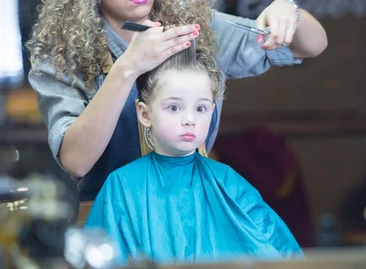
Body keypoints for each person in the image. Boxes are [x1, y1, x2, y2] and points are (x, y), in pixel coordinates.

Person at [27, 0, 328, 202]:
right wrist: (128, 68)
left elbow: (312, 46)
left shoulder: (196, 25)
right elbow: (76, 161)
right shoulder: (59, 53)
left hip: (193, 210)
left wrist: (291, 11)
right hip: (111, 217)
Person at [84, 45, 302, 263]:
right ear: (144, 114)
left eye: (201, 108)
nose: (190, 119)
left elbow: (285, 259)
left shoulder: (228, 183)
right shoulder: (121, 186)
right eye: (174, 107)